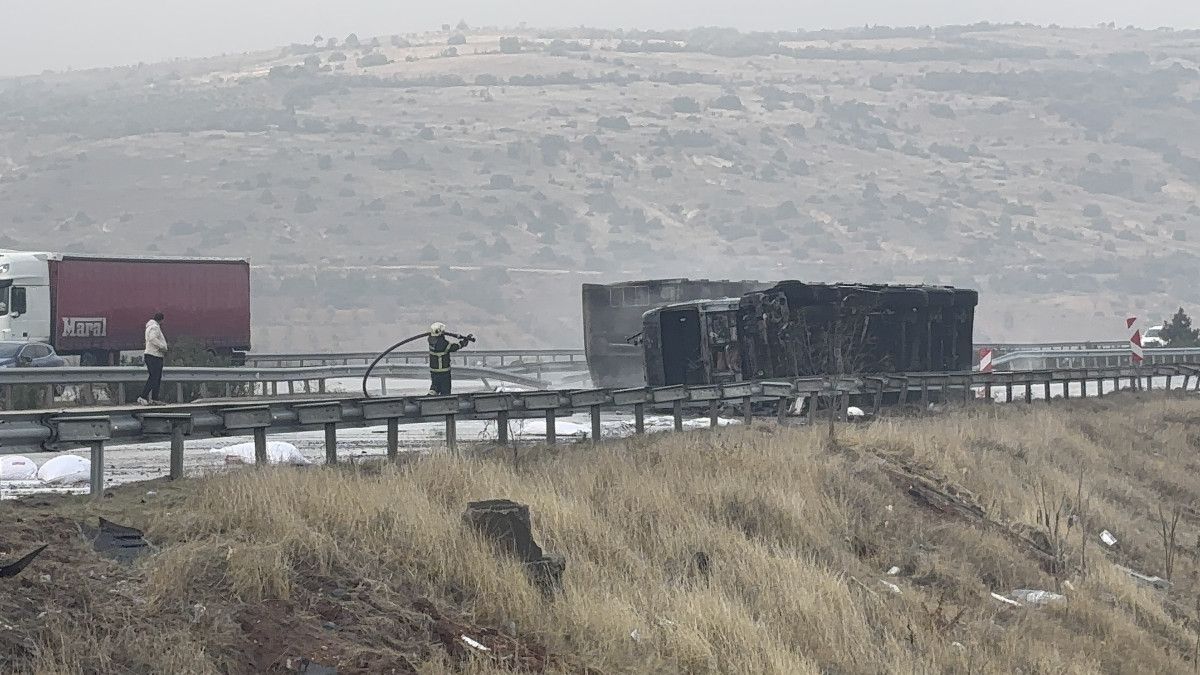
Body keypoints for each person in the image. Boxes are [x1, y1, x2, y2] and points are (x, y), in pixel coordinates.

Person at [427, 322, 471, 396]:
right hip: (444, 373)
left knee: (435, 387)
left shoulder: (431, 340)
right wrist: (463, 343)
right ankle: (444, 404)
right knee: (445, 393)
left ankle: (429, 399)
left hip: (434, 372)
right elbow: (454, 347)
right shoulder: (443, 343)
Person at [138, 312, 168, 405]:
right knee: (154, 377)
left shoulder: (150, 326)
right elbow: (152, 338)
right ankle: (143, 397)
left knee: (156, 377)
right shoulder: (155, 327)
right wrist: (162, 346)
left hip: (154, 355)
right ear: (161, 320)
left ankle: (155, 398)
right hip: (154, 355)